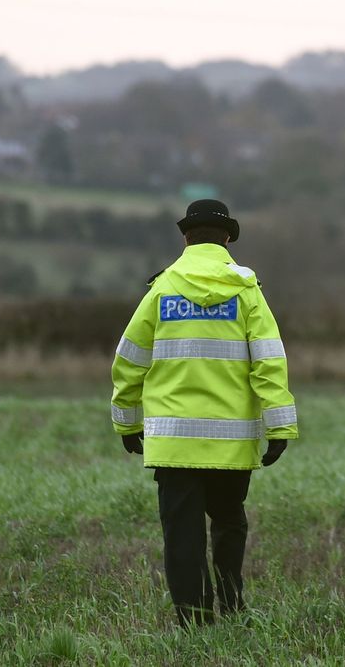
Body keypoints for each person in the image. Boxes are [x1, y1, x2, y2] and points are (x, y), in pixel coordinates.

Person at [110, 198, 298, 627]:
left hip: (174, 441)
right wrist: (280, 426)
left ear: (185, 237)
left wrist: (127, 421)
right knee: (229, 521)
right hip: (231, 442)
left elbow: (129, 360)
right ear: (228, 238)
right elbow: (269, 361)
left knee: (182, 533)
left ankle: (194, 619)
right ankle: (232, 603)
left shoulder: (161, 289)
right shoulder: (247, 291)